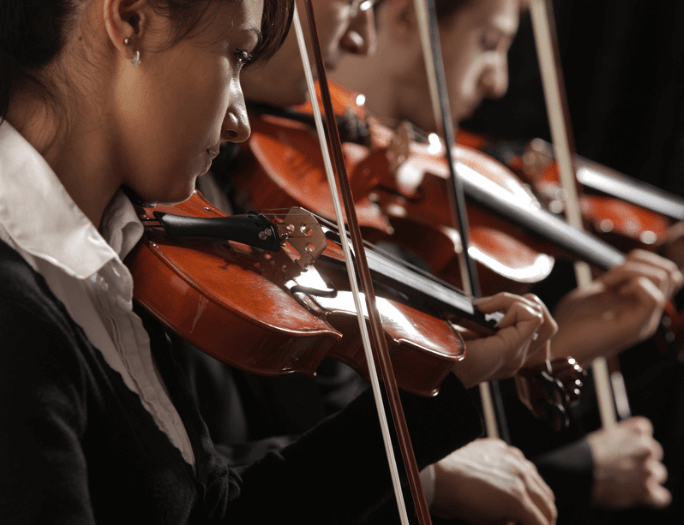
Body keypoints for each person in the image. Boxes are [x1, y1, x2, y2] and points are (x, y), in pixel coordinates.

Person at [0, 0, 559, 523]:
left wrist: (446, 385)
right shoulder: (18, 307)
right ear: (131, 19)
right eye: (237, 56)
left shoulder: (112, 259)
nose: (242, 120)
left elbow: (224, 511)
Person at [331, 0, 679, 517]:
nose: (497, 83)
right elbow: (338, 456)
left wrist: (545, 347)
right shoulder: (302, 196)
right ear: (407, 17)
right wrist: (573, 471)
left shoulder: (411, 214)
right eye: (488, 43)